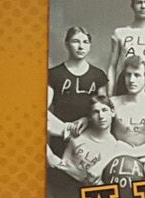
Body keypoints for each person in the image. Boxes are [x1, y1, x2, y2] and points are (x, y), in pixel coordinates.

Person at [46, 25, 108, 164]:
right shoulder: (54, 74)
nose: (81, 47)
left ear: (90, 46)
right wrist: (65, 129)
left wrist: (87, 119)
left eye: (85, 42)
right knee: (61, 178)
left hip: (89, 137)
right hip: (61, 138)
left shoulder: (98, 75)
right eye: (75, 41)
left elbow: (104, 109)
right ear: (67, 44)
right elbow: (42, 110)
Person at [56, 92, 128, 185]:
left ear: (113, 112)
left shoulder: (114, 147)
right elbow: (63, 163)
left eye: (104, 110)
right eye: (96, 112)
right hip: (61, 183)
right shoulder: (78, 131)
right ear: (89, 117)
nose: (101, 116)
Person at [109, 55, 145, 145]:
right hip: (120, 154)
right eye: (128, 75)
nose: (131, 80)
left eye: (137, 75)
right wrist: (86, 119)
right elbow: (97, 123)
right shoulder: (113, 103)